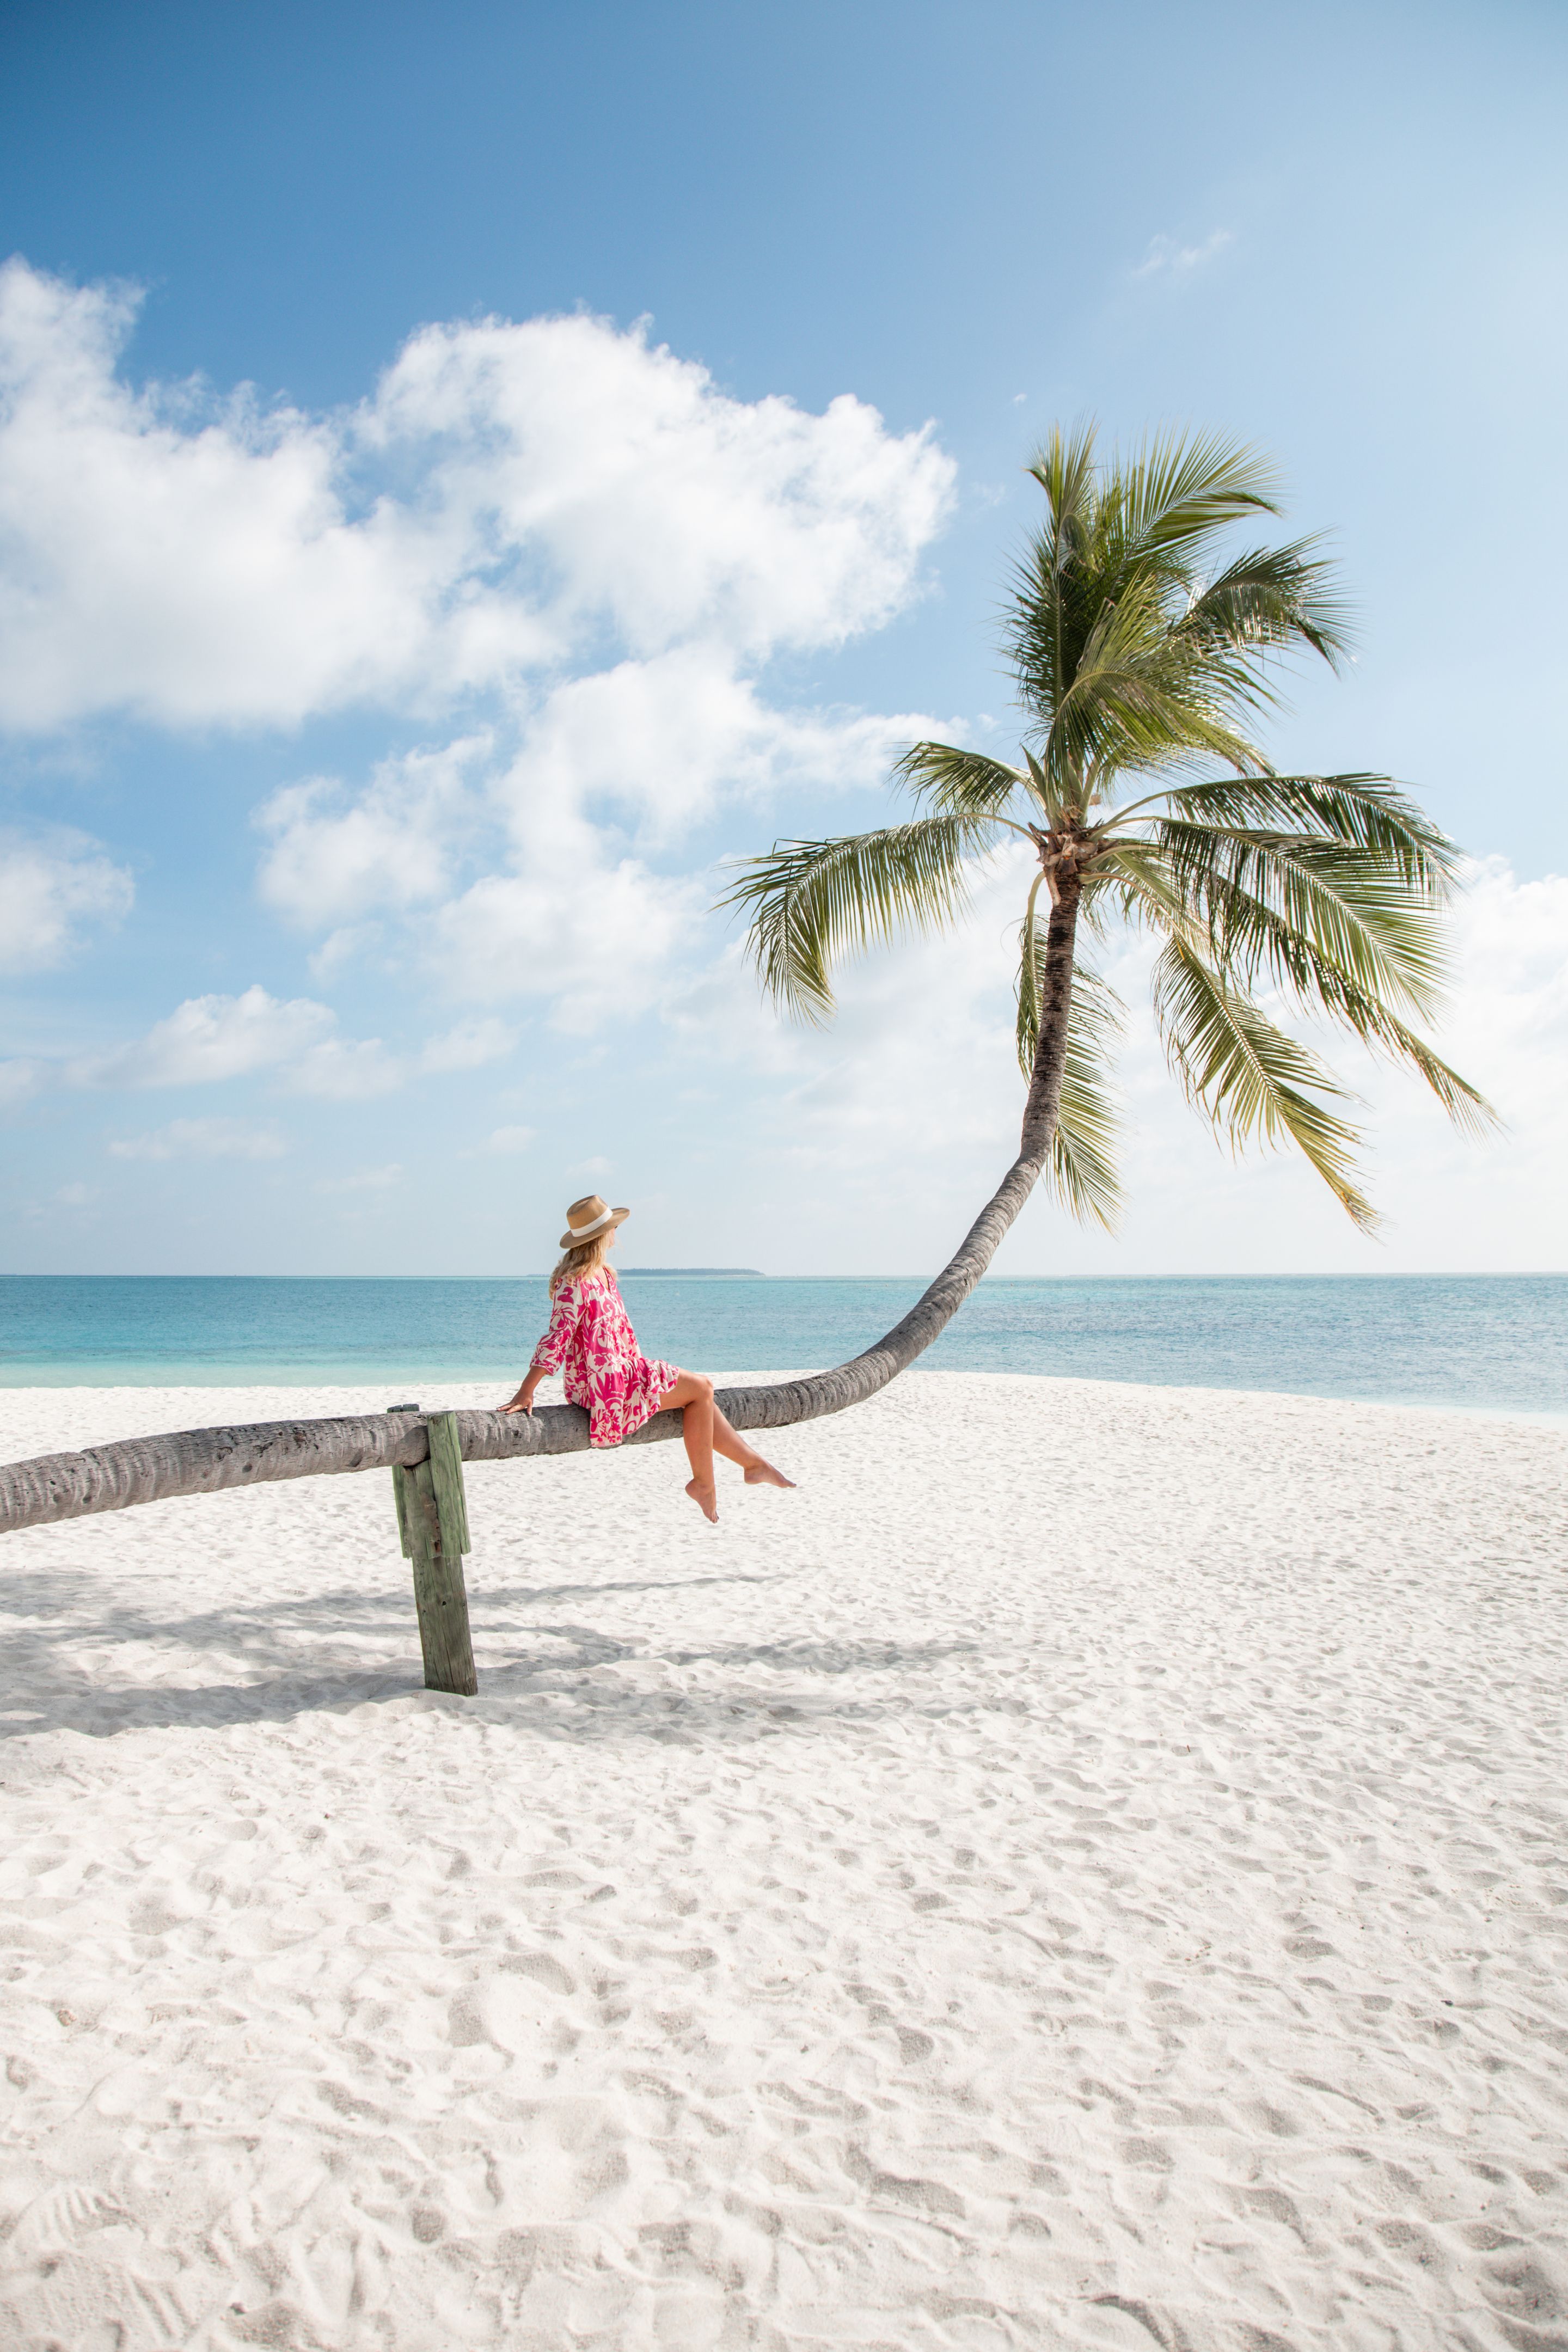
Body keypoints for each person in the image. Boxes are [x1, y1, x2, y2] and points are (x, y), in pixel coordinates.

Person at [501, 1195, 795, 1522]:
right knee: (702, 1388)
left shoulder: (605, 1275)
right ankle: (709, 1482)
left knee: (702, 1396)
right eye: (613, 1228)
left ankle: (751, 1467)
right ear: (602, 1236)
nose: (617, 1233)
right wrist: (528, 1389)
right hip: (604, 1387)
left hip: (626, 1372)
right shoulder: (574, 1283)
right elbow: (558, 1336)